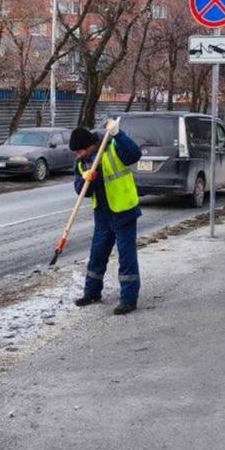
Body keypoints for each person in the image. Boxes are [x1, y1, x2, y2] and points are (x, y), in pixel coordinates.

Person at [69, 118, 142, 315]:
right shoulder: (82, 162)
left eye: (80, 151)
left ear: (91, 145)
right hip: (102, 213)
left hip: (123, 210)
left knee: (126, 257)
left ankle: (128, 299)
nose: (78, 155)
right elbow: (81, 190)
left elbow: (135, 154)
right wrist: (85, 180)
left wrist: (119, 133)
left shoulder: (113, 147)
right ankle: (92, 292)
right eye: (76, 153)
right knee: (97, 254)